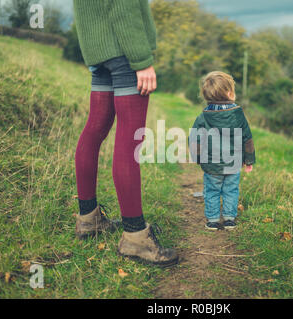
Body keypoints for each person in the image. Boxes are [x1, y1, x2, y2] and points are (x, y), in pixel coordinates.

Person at [72, 0, 178, 267]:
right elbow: (123, 7)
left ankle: (89, 219)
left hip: (98, 51)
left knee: (94, 129)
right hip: (122, 51)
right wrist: (141, 60)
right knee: (130, 141)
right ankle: (135, 237)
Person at [190, 71, 256, 230]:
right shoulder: (238, 115)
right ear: (229, 93)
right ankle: (229, 219)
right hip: (233, 163)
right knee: (231, 190)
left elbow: (195, 139)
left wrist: (198, 158)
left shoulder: (203, 117)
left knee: (212, 190)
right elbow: (247, 138)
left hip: (211, 164)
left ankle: (212, 220)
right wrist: (249, 160)